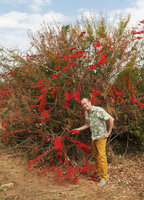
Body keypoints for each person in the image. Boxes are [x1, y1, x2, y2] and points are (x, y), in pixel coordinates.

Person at [72, 98, 114, 186]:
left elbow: (111, 119)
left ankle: (104, 177)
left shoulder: (98, 110)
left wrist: (108, 132)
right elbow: (88, 124)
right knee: (95, 155)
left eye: (86, 103)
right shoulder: (86, 113)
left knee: (102, 156)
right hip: (94, 137)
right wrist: (77, 129)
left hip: (101, 137)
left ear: (89, 102)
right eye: (83, 104)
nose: (84, 105)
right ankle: (97, 173)